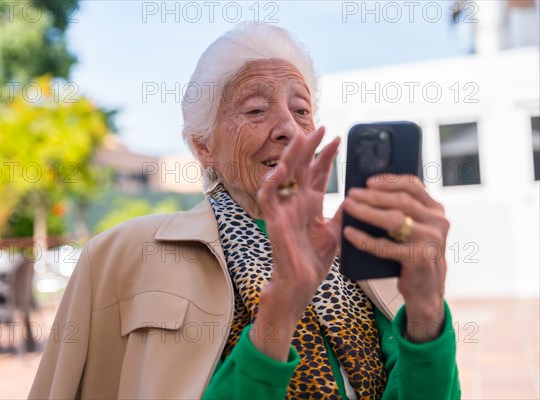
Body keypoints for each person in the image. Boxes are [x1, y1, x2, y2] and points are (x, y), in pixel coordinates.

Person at [29, 22, 460, 399]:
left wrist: (426, 313)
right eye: (255, 109)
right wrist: (283, 305)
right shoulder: (120, 255)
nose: (288, 129)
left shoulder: (364, 253)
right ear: (203, 146)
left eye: (301, 111)